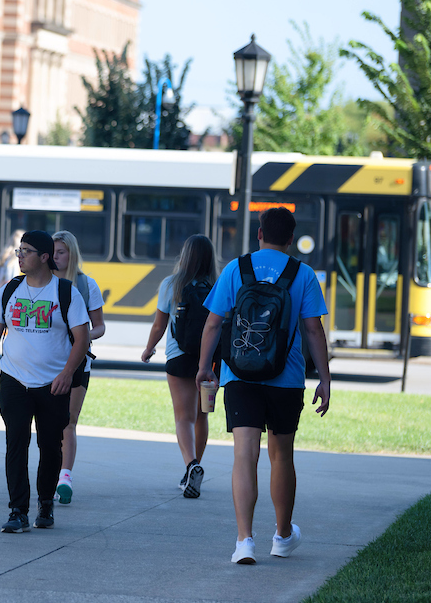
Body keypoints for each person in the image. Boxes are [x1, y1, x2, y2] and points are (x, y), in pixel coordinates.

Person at [196, 208, 332, 565]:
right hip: (285, 379)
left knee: (245, 454)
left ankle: (244, 541)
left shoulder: (236, 269)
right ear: (291, 238)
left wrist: (203, 368)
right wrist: (326, 378)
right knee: (281, 454)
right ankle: (283, 536)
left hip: (239, 375)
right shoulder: (302, 275)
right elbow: (314, 330)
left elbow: (213, 324)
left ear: (259, 234)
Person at [0, 230, 89, 533]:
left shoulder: (66, 292)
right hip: (14, 380)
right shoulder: (9, 289)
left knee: (50, 446)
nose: (20, 255)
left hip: (53, 384)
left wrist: (67, 373)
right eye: (19, 250)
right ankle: (17, 511)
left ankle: (45, 504)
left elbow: (82, 337)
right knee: (16, 443)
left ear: (44, 257)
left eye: (26, 251)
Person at [141, 235, 219, 498]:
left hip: (179, 357)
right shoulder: (218, 285)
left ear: (185, 256)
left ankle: (191, 465)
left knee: (183, 418)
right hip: (211, 360)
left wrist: (149, 348)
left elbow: (159, 325)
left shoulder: (171, 284)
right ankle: (193, 468)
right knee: (202, 415)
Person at [51, 230, 106, 505]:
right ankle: (48, 473)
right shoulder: (39, 282)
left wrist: (82, 337)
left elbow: (100, 327)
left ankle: (64, 476)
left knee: (68, 422)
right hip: (45, 363)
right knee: (48, 423)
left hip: (78, 363)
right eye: (53, 251)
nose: (55, 256)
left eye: (61, 252)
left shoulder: (86, 285)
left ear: (71, 254)